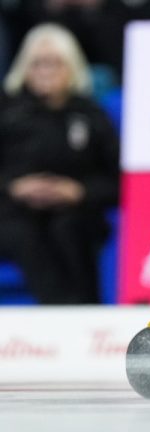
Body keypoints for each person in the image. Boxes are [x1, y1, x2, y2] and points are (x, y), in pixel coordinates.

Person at [0, 23, 119, 304]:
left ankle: (85, 313)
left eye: (55, 63)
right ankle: (59, 318)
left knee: (68, 228)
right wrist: (14, 187)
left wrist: (79, 191)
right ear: (23, 68)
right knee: (23, 233)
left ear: (72, 67)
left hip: (77, 210)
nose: (46, 71)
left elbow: (116, 180)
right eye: (38, 63)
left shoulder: (91, 115)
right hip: (11, 211)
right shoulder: (6, 112)